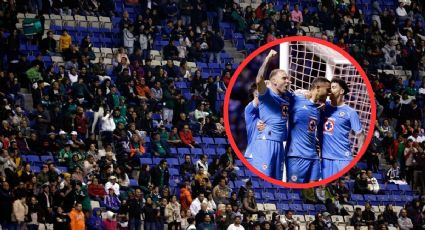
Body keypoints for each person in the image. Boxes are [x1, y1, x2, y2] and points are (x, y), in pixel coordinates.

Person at [247, 49, 290, 179]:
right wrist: (267, 59)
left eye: (288, 78)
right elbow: (259, 79)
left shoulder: (287, 97)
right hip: (266, 143)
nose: (288, 81)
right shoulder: (266, 95)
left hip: (279, 145)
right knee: (263, 180)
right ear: (274, 81)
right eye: (284, 78)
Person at [286, 77, 331, 183]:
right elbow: (277, 94)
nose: (329, 93)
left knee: (313, 189)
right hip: (296, 155)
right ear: (318, 88)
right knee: (294, 191)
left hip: (314, 157)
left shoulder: (319, 109)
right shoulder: (297, 99)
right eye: (328, 90)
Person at [321, 78, 364, 179]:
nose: (330, 90)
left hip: (343, 158)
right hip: (325, 158)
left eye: (334, 87)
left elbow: (361, 135)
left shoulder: (350, 112)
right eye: (330, 88)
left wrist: (358, 157)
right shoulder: (323, 107)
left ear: (342, 91)